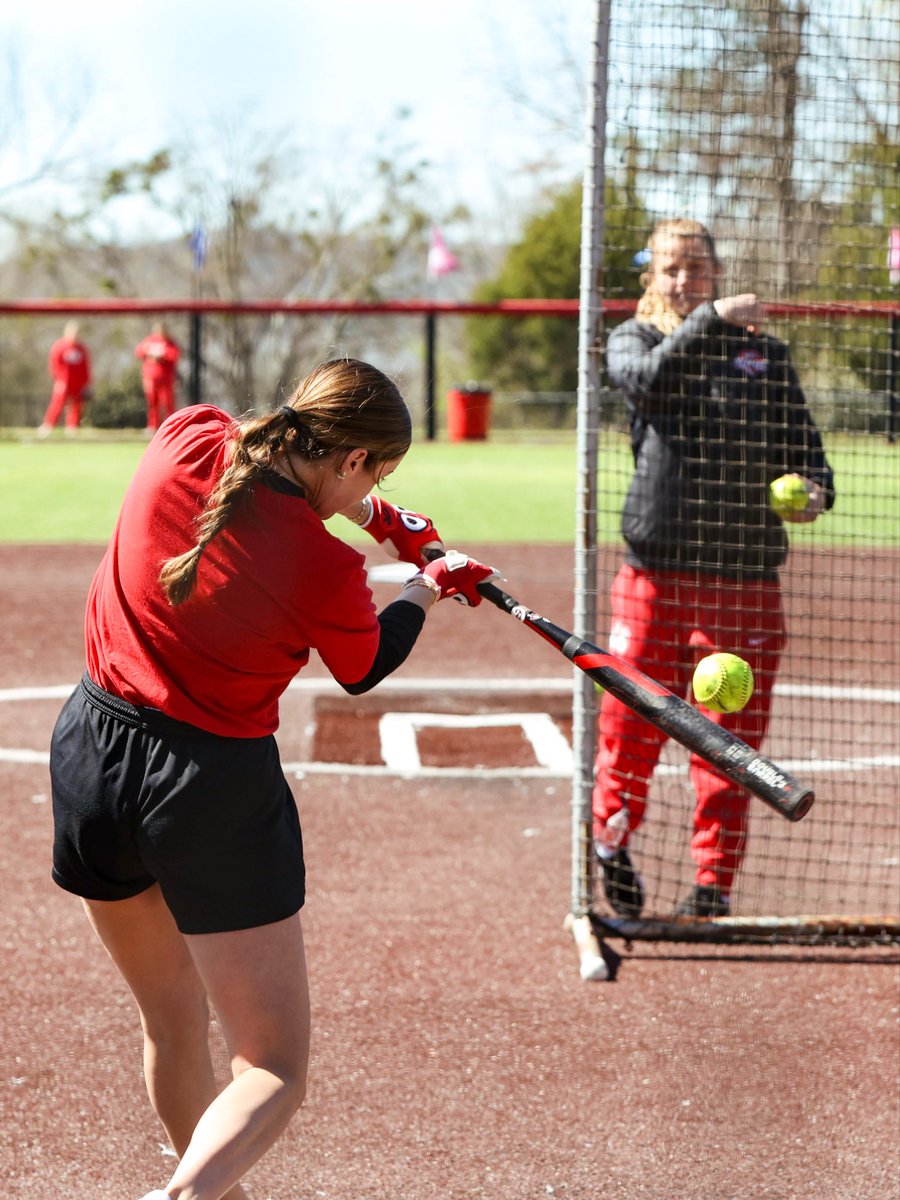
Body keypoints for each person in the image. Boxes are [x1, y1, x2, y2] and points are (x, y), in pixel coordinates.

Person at [48, 357, 497, 1200]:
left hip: (90, 759)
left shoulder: (186, 436)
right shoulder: (323, 571)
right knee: (274, 1067)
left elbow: (275, 481)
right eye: (378, 470)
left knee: (173, 1022)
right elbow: (365, 664)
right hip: (206, 791)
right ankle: (179, 1197)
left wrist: (377, 513)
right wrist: (428, 582)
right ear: (352, 458)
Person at [593, 217, 835, 919]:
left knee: (731, 747)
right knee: (627, 730)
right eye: (671, 268)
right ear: (652, 277)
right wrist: (708, 321)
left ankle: (713, 886)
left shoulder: (765, 356)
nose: (683, 279)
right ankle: (611, 846)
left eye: (695, 267)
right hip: (654, 578)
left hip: (744, 581)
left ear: (715, 270)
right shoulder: (635, 340)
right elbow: (650, 386)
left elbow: (808, 453)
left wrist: (814, 491)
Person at [39, 320, 92, 436]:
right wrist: (58, 380)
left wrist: (87, 383)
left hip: (78, 383)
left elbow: (86, 367)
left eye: (77, 332)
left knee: (76, 406)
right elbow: (54, 365)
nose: (75, 334)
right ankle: (48, 426)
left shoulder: (81, 349)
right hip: (63, 382)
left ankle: (72, 428)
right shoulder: (59, 347)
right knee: (57, 404)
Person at [135, 322, 182, 432]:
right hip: (151, 378)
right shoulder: (149, 341)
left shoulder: (169, 342)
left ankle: (172, 427)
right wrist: (150, 353)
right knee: (152, 403)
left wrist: (162, 355)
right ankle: (152, 426)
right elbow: (139, 351)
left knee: (167, 403)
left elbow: (174, 355)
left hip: (166, 379)